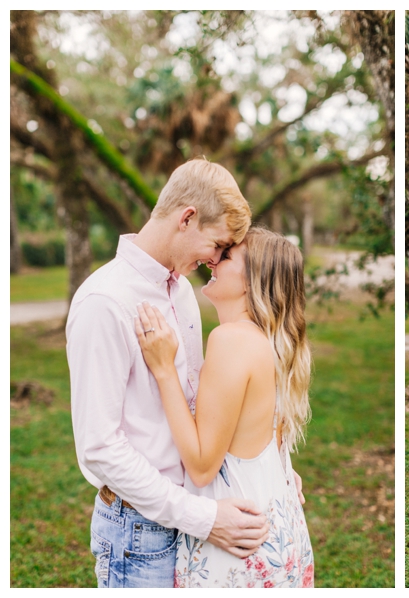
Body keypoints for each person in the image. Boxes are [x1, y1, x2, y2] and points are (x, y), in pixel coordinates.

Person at [67, 159, 285, 588]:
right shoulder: (104, 302)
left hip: (192, 517)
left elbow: (202, 402)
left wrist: (269, 467)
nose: (217, 260)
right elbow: (99, 447)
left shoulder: (182, 292)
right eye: (219, 245)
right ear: (187, 218)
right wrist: (203, 518)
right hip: (139, 534)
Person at [134, 227, 314, 588]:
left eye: (227, 256)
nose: (213, 259)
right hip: (281, 533)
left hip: (237, 544)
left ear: (251, 280)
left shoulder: (231, 340)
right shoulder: (274, 342)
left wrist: (165, 369)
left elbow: (202, 466)